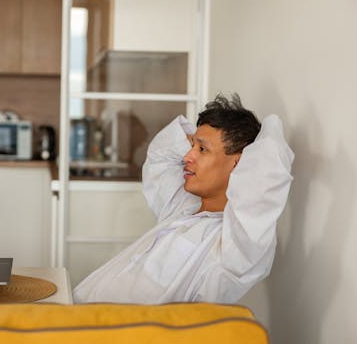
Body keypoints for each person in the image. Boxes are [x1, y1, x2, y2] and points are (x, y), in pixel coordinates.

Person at [73, 93, 294, 304]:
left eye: (202, 149)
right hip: (80, 311)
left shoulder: (234, 246)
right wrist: (197, 141)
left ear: (238, 163)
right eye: (191, 146)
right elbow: (160, 157)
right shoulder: (182, 207)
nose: (187, 156)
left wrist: (250, 152)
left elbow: (268, 172)